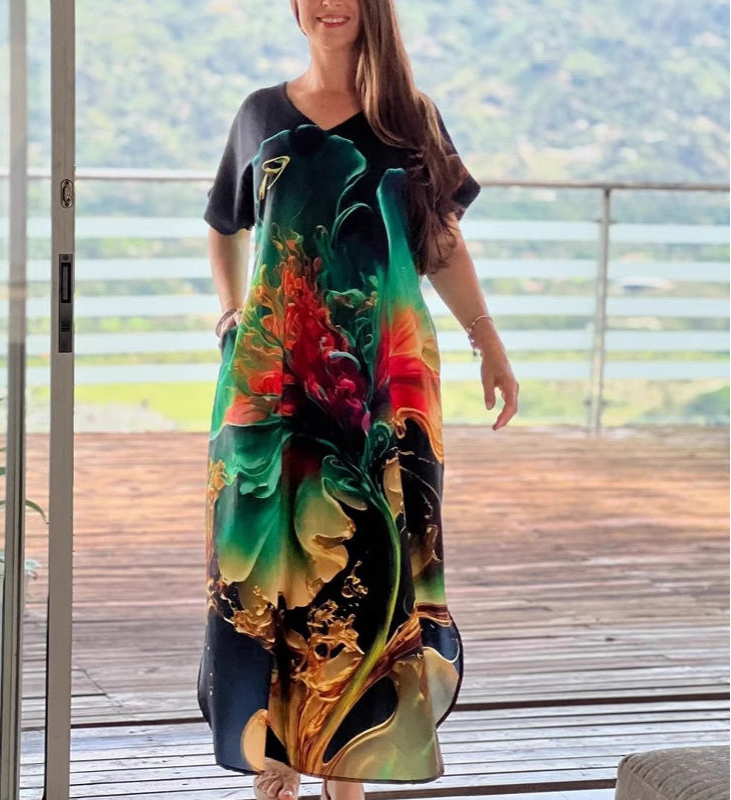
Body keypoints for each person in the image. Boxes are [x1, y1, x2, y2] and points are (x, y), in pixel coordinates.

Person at [196, 1, 519, 799]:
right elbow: (224, 222)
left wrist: (488, 340)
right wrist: (231, 313)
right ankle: (276, 748)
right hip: (272, 382)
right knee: (265, 557)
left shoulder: (412, 119)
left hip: (383, 385)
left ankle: (349, 767)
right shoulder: (260, 114)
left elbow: (440, 242)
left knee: (370, 559)